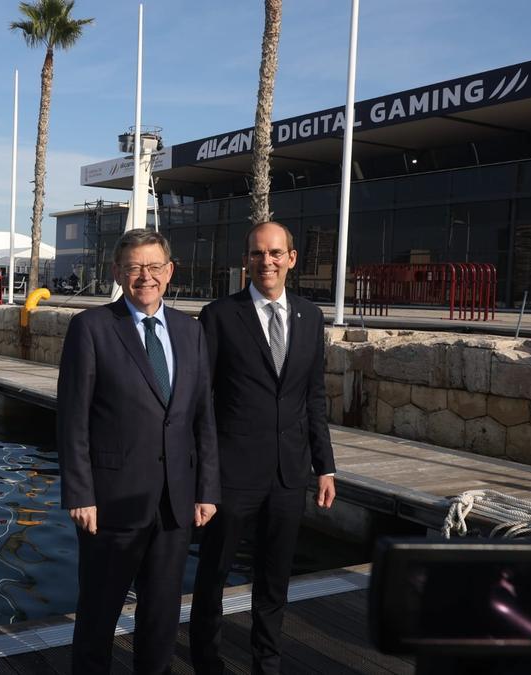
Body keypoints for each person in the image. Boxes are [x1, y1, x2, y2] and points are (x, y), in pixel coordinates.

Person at [58, 228, 220, 674]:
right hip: (110, 503)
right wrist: (79, 493)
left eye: (153, 267)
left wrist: (207, 489)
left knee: (162, 616)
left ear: (169, 272)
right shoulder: (91, 328)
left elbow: (203, 417)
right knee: (98, 616)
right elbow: (72, 419)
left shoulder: (192, 331)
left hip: (175, 504)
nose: (144, 277)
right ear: (117, 272)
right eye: (133, 268)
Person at [190, 221, 337, 675]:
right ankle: (206, 661)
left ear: (292, 259)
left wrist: (325, 466)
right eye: (257, 254)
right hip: (232, 476)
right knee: (212, 577)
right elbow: (203, 404)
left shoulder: (310, 317)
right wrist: (204, 478)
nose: (266, 261)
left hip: (288, 475)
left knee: (274, 580)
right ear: (246, 260)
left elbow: (313, 396)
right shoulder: (218, 316)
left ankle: (266, 663)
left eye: (275, 253)